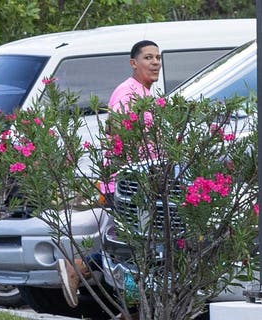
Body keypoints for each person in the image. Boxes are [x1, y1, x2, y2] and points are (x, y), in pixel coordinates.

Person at [56, 39, 162, 311]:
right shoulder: (127, 93)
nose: (155, 63)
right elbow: (118, 138)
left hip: (144, 183)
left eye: (157, 58)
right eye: (148, 58)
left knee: (135, 246)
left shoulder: (148, 94)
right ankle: (79, 267)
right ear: (133, 63)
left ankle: (131, 305)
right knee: (129, 246)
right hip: (127, 184)